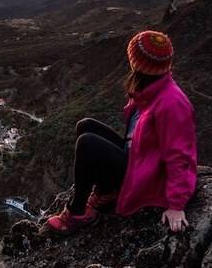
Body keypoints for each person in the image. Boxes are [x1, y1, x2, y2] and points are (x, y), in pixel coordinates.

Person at [45, 30, 197, 235]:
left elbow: (181, 156)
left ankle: (77, 214)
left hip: (144, 174)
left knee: (88, 143)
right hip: (136, 158)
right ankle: (108, 191)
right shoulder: (150, 87)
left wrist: (176, 205)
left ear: (141, 64)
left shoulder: (172, 103)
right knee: (85, 125)